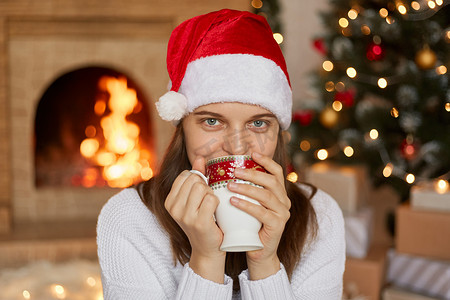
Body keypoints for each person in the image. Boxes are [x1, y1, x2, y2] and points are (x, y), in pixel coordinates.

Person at [97, 8, 345, 299]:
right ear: (183, 128)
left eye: (258, 123)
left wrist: (264, 262)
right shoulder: (129, 218)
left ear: (278, 131)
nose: (237, 147)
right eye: (212, 121)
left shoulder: (320, 216)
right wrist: (205, 260)